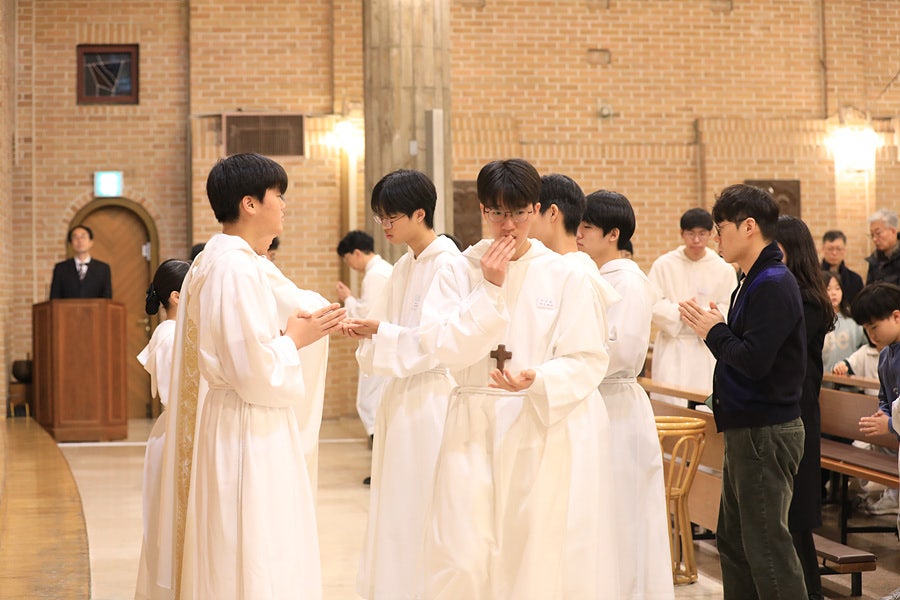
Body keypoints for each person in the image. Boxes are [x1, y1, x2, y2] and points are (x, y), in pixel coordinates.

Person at [413, 159, 621, 598]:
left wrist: (539, 379)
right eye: (497, 212)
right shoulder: (458, 269)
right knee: (462, 554)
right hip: (470, 425)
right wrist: (490, 289)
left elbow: (588, 357)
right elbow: (441, 345)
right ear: (482, 210)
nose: (507, 225)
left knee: (528, 553)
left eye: (519, 213)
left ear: (537, 209)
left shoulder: (565, 273)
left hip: (533, 425)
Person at [154, 153, 344, 600]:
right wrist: (294, 340)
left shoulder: (226, 259)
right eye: (279, 195)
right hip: (248, 426)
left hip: (235, 420)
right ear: (250, 204)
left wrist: (326, 322)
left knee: (244, 546)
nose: (284, 205)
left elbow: (286, 303)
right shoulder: (234, 267)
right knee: (256, 548)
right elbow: (253, 371)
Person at [679, 183, 808, 599]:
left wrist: (714, 331)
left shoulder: (772, 282)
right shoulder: (752, 279)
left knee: (767, 549)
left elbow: (754, 361)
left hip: (764, 430)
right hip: (748, 428)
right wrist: (718, 329)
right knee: (734, 543)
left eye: (720, 229)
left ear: (748, 226)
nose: (716, 238)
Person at [344, 170, 460, 599]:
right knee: (395, 503)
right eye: (380, 218)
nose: (385, 226)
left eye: (391, 217)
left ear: (420, 213)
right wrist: (369, 331)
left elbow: (437, 341)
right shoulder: (404, 265)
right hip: (401, 395)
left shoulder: (447, 263)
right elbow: (391, 326)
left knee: (422, 501)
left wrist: (382, 331)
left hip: (431, 397)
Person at [576, 188, 675, 600]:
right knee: (604, 510)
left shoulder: (630, 282)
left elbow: (623, 350)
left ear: (613, 234)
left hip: (617, 402)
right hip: (597, 399)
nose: (578, 234)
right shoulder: (596, 276)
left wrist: (574, 357)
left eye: (587, 227)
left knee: (625, 511)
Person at [774, 216, 835, 600]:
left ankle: (809, 593)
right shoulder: (784, 291)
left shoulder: (807, 299)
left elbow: (777, 350)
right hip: (786, 407)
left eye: (773, 245)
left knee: (795, 515)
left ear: (790, 250)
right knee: (784, 514)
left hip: (798, 410)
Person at [134, 258, 190, 600]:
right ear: (176, 297)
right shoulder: (170, 336)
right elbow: (175, 393)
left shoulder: (175, 332)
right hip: (175, 433)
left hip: (176, 429)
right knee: (170, 524)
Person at [648, 208, 737, 407]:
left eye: (702, 234)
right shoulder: (664, 265)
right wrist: (682, 312)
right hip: (673, 345)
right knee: (671, 405)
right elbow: (652, 303)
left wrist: (701, 316)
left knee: (704, 406)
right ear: (682, 233)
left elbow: (729, 306)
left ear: (710, 234)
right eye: (691, 234)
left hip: (705, 347)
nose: (696, 240)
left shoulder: (723, 268)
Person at [850, 283, 900, 600]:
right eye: (866, 330)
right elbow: (886, 399)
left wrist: (890, 423)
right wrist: (882, 416)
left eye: (874, 326)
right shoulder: (885, 357)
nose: (871, 335)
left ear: (897, 316)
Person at [335, 229, 394, 477]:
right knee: (373, 404)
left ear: (357, 253)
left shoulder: (376, 275)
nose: (349, 264)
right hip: (382, 345)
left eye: (348, 259)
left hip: (381, 347)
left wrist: (348, 299)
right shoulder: (381, 271)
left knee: (372, 404)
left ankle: (381, 469)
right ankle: (380, 467)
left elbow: (366, 315)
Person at [49, 224, 113, 299]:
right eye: (75, 237)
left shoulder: (103, 268)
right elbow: (55, 297)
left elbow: (107, 297)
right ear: (71, 244)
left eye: (83, 237)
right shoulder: (61, 268)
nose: (80, 241)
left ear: (91, 242)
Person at [822, 271, 866, 372]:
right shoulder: (818, 320)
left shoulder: (852, 319)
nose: (834, 293)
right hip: (824, 377)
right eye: (828, 289)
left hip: (850, 377)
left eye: (837, 288)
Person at [821, 230, 864, 304]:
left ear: (844, 250)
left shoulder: (855, 280)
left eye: (838, 249)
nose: (834, 253)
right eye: (830, 249)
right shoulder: (814, 277)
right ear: (823, 250)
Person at [866, 209, 900, 285]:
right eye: (872, 235)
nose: (874, 239)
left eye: (878, 233)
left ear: (893, 231)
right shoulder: (874, 260)